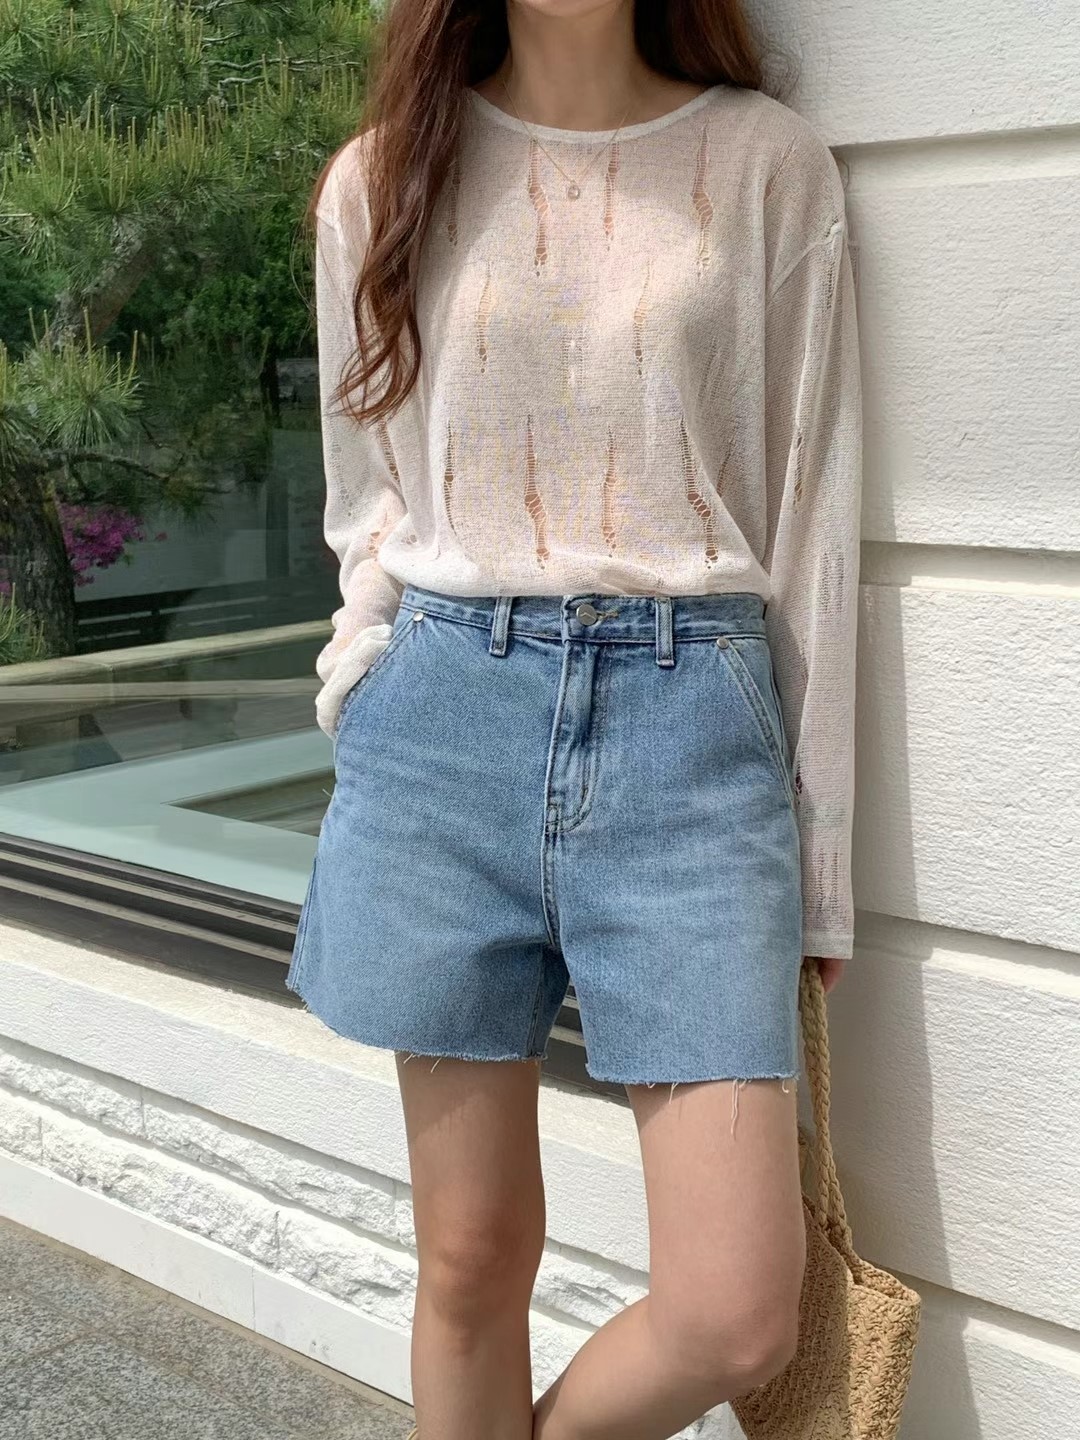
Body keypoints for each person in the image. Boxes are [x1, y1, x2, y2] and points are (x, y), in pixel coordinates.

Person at [287, 0, 862, 1436]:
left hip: (693, 733)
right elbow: (369, 499)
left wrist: (824, 871)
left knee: (735, 1308)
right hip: (442, 724)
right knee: (471, 1259)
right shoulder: (382, 178)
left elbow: (813, 523)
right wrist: (365, 680)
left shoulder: (766, 163)